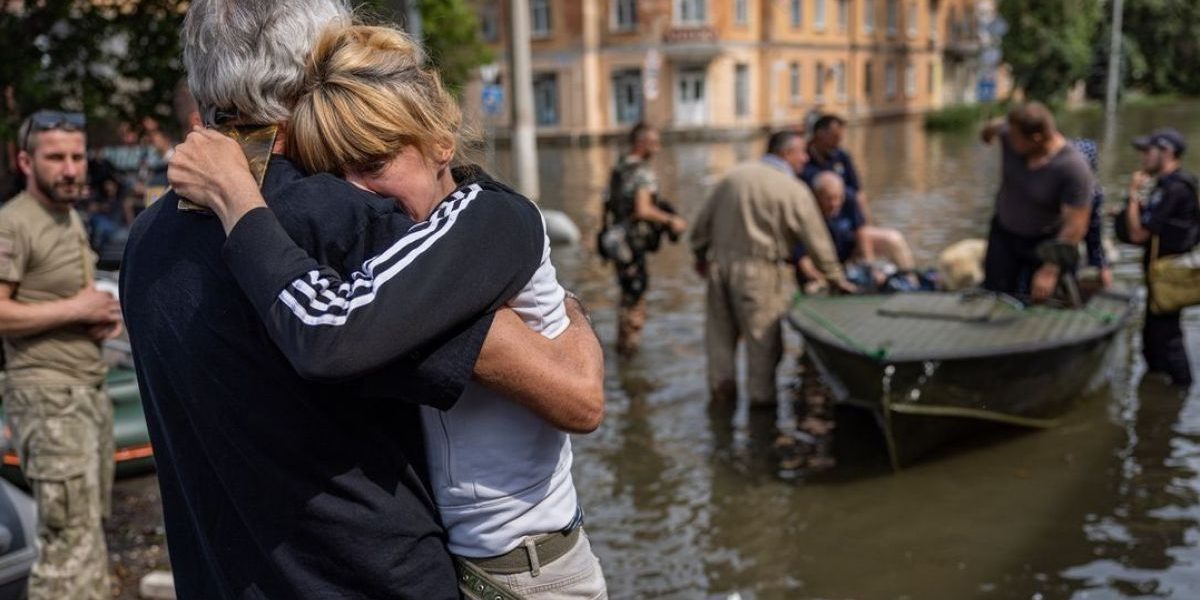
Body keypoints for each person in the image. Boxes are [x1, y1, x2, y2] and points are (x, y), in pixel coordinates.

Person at [120, 2, 603, 598]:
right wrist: (574, 312)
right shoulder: (343, 219)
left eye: (373, 160)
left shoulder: (149, 238)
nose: (359, 183)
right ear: (320, 65)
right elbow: (571, 387)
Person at [0, 110, 124, 599]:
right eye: (56, 158)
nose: (71, 169)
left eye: (77, 157)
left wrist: (97, 318)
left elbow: (56, 299)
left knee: (86, 532)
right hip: (47, 397)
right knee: (64, 547)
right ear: (25, 162)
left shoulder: (66, 214)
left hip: (85, 392)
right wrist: (78, 308)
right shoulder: (14, 223)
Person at [690, 131, 849, 408]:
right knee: (763, 347)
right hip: (760, 272)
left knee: (719, 343)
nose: (805, 159)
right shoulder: (793, 189)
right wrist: (836, 278)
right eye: (801, 153)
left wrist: (701, 256)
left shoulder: (732, 177)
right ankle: (761, 412)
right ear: (786, 154)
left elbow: (700, 228)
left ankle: (721, 403)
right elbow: (818, 242)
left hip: (718, 268)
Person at [979, 102, 1094, 301]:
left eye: (1015, 137)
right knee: (996, 295)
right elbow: (998, 127)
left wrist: (1050, 269)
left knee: (1041, 298)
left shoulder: (1072, 168)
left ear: (1036, 138)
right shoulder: (1010, 134)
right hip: (1004, 234)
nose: (1009, 139)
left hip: (1044, 242)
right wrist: (987, 133)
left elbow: (1076, 225)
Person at [1116, 128, 1198, 387]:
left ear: (1167, 152)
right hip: (1160, 272)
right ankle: (1156, 397)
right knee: (1152, 341)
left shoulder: (1175, 188)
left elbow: (1139, 233)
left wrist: (1133, 195)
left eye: (1148, 151)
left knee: (1168, 339)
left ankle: (1183, 395)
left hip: (1167, 275)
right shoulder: (1169, 185)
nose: (1143, 157)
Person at [606, 122, 686, 356]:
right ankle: (630, 351)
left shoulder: (620, 167)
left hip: (618, 242)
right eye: (654, 143)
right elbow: (643, 209)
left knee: (626, 296)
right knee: (635, 299)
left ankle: (623, 350)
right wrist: (671, 220)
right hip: (633, 244)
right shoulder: (642, 172)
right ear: (641, 143)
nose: (658, 148)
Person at [795, 171, 917, 292]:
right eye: (829, 199)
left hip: (848, 254)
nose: (834, 204)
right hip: (822, 266)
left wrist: (869, 267)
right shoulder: (805, 212)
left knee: (893, 239)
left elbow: (862, 232)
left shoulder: (849, 198)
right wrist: (827, 279)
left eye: (838, 198)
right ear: (817, 196)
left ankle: (911, 282)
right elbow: (803, 260)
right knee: (813, 288)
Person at [800, 114, 874, 224]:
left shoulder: (842, 156)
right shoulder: (801, 158)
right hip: (815, 218)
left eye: (840, 137)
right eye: (835, 137)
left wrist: (867, 221)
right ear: (820, 134)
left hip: (847, 218)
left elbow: (858, 192)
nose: (838, 141)